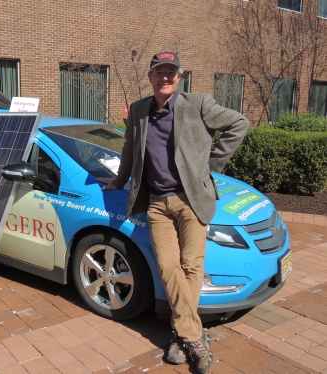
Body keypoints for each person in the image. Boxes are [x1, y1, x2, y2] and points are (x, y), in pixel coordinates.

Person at [97, 51, 249, 374]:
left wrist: (210, 167)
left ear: (179, 77)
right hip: (157, 204)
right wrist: (118, 181)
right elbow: (129, 150)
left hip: (191, 200)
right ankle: (194, 337)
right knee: (168, 266)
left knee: (192, 266)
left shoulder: (199, 104)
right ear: (151, 77)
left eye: (170, 73)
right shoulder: (138, 111)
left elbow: (239, 124)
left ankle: (181, 339)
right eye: (158, 73)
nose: (164, 78)